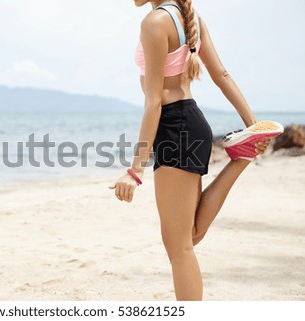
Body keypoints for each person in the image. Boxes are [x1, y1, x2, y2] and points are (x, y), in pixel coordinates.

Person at [109, 0, 283, 301]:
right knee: (187, 238)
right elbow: (222, 75)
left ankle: (243, 155)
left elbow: (153, 103)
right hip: (191, 121)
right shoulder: (190, 19)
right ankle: (242, 155)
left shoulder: (154, 23)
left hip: (174, 126)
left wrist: (135, 170)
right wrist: (252, 125)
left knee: (179, 248)